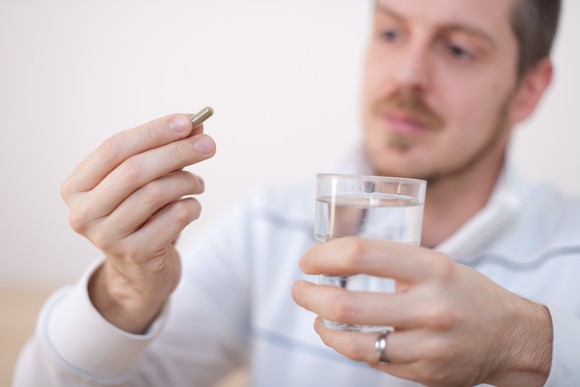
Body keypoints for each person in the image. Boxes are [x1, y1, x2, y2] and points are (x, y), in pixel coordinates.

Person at [13, 0, 580, 386]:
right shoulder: (268, 228)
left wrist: (528, 344)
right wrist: (125, 290)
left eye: (457, 49)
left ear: (528, 90)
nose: (406, 75)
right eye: (390, 33)